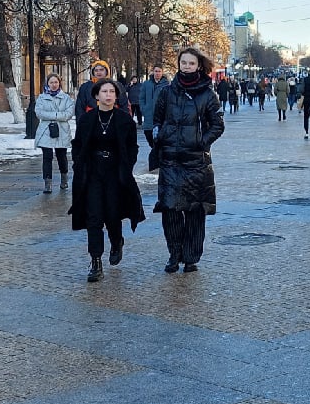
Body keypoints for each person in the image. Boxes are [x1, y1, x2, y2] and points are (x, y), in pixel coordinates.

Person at [149, 47, 224, 273]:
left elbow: (218, 125)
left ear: (198, 65)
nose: (187, 67)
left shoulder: (208, 94)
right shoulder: (167, 92)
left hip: (196, 162)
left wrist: (201, 142)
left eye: (192, 63)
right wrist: (160, 136)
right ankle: (174, 254)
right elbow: (156, 119)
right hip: (170, 160)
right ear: (178, 64)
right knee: (170, 209)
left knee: (194, 211)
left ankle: (191, 257)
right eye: (184, 63)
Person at [70, 79, 145, 282]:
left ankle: (116, 241)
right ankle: (96, 261)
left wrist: (127, 166)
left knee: (112, 214)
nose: (108, 95)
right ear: (97, 95)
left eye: (112, 91)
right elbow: (78, 144)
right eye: (104, 91)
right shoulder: (87, 119)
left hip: (115, 173)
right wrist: (78, 164)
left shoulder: (124, 120)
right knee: (94, 217)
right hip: (93, 172)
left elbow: (132, 147)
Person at [35, 74, 75, 192]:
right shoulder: (42, 98)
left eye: (56, 82)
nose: (54, 85)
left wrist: (51, 115)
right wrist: (58, 115)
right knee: (47, 157)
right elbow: (39, 113)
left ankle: (64, 180)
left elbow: (69, 114)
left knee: (61, 156)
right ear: (47, 84)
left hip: (62, 130)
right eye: (51, 82)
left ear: (59, 83)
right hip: (45, 130)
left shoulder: (66, 98)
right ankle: (47, 184)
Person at [133, 65, 168, 144]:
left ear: (162, 72)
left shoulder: (166, 85)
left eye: (159, 71)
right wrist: (143, 109)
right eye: (156, 71)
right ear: (153, 72)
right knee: (149, 137)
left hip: (162, 117)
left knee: (160, 141)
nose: (157, 73)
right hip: (148, 115)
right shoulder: (146, 84)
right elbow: (141, 98)